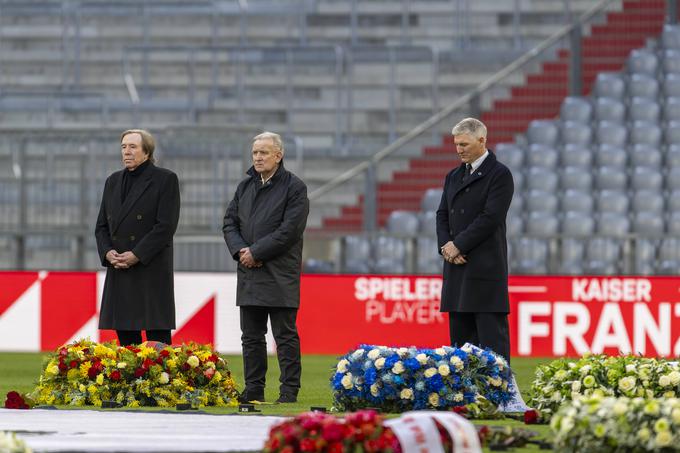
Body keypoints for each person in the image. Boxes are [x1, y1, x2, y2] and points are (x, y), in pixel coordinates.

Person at [223, 131, 309, 404]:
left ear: (278, 155)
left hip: (279, 272)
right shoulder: (245, 186)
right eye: (255, 153)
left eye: (264, 152)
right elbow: (229, 223)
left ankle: (288, 392)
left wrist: (257, 251)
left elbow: (290, 230)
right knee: (251, 337)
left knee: (284, 336)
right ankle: (254, 389)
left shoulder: (295, 187)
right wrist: (242, 252)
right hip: (249, 271)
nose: (258, 158)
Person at [436, 118, 514, 363]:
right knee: (459, 347)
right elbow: (441, 214)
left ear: (482, 140)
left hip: (485, 270)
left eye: (464, 144)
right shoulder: (453, 176)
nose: (459, 149)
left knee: (493, 345)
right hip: (456, 268)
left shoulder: (500, 174)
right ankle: (463, 398)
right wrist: (446, 247)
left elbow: (491, 217)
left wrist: (458, 244)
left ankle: (500, 397)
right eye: (456, 144)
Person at [95, 129, 181, 346]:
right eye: (123, 147)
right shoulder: (112, 181)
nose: (127, 151)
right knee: (126, 346)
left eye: (133, 147)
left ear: (147, 151)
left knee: (158, 345)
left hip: (150, 268)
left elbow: (165, 226)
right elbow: (101, 226)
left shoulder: (165, 179)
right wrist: (108, 253)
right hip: (120, 268)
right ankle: (127, 382)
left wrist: (137, 254)